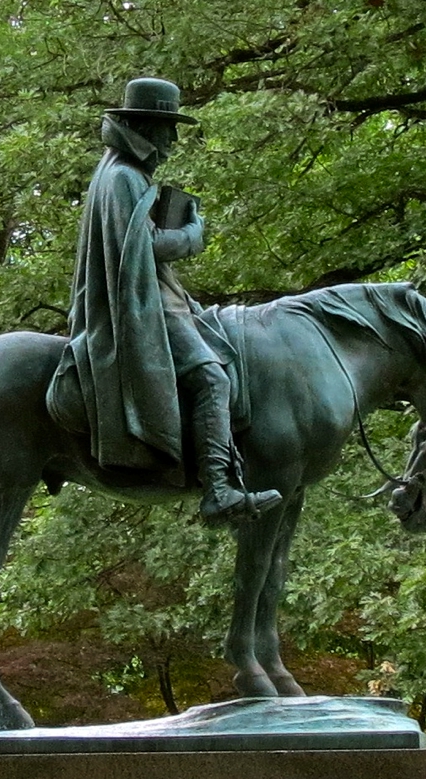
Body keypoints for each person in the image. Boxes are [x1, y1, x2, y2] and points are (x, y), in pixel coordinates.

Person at [46, 77, 282, 525]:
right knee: (212, 379)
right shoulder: (123, 177)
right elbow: (147, 246)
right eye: (167, 127)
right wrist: (193, 235)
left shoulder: (119, 173)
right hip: (140, 305)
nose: (172, 140)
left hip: (155, 295)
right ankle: (218, 491)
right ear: (145, 126)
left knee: (222, 354)